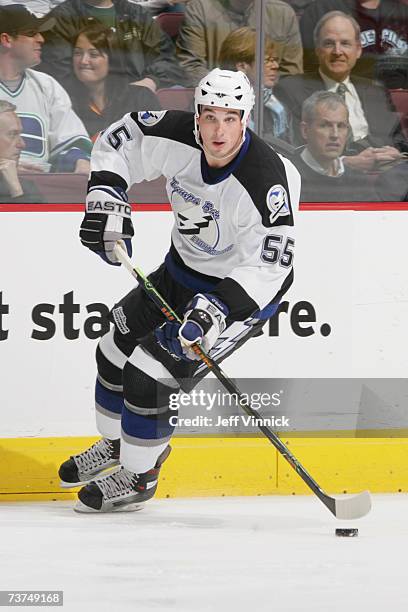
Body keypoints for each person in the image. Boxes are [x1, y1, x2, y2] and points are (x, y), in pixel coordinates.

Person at [58, 68, 300, 513]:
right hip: (181, 272)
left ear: (246, 119)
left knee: (150, 375)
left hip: (238, 297)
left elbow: (269, 267)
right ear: (197, 116)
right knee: (114, 346)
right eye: (210, 117)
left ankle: (140, 475)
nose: (218, 130)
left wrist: (217, 310)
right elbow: (119, 138)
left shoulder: (267, 179)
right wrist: (107, 196)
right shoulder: (177, 134)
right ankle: (117, 447)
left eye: (230, 118)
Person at [275, 11, 407, 173]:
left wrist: (395, 152)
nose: (337, 52)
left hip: (384, 180)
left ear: (358, 50)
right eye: (329, 43)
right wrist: (345, 163)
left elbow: (398, 140)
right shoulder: (291, 89)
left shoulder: (375, 90)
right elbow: (293, 150)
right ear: (317, 49)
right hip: (326, 183)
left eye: (345, 43)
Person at [0, 4, 92, 173]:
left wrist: (79, 162)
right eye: (31, 34)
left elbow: (72, 142)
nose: (41, 39)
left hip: (41, 190)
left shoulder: (47, 86)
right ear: (6, 40)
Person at [39, 0, 186, 90]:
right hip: (88, 107)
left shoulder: (136, 14)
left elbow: (168, 58)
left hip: (139, 98)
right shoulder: (61, 19)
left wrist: (152, 81)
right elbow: (60, 75)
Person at [66, 23, 162, 140]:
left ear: (112, 61)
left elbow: (159, 144)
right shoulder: (65, 103)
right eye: (78, 53)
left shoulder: (141, 99)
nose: (83, 61)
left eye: (94, 54)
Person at [176, 0, 303, 87]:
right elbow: (190, 67)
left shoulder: (283, 14)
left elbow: (291, 73)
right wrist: (230, 90)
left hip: (269, 103)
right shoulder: (199, 9)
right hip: (217, 99)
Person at [291, 91, 378, 201]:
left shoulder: (358, 180)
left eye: (341, 126)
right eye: (325, 126)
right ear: (305, 130)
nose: (335, 135)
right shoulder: (288, 174)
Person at [299, 0, 408, 87]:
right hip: (342, 94)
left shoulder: (403, 13)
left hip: (399, 97)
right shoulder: (320, 11)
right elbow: (311, 67)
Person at [218, 27, 293, 145]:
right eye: (267, 60)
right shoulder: (215, 103)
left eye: (275, 60)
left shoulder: (279, 104)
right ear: (242, 66)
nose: (275, 65)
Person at [0, 100, 44, 202]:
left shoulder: (24, 187)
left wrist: (16, 191)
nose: (22, 144)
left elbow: (38, 218)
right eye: (12, 134)